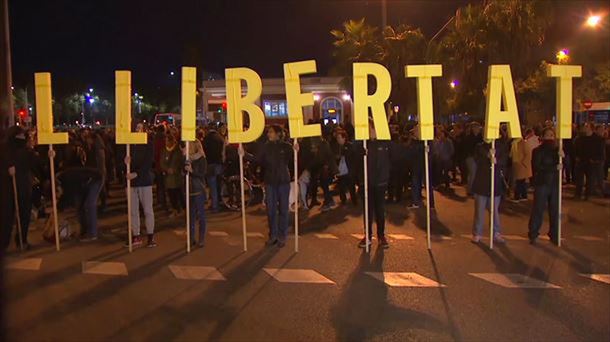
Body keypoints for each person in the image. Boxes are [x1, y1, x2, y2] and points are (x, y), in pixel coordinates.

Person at [1, 127, 38, 250]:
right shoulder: (23, 150)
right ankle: (19, 240)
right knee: (19, 216)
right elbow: (35, 163)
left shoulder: (6, 149)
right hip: (17, 187)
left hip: (12, 187)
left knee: (9, 216)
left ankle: (11, 242)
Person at [354, 123, 390, 249]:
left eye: (370, 129)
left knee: (380, 210)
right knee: (368, 210)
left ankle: (381, 236)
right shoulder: (363, 144)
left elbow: (395, 156)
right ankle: (368, 236)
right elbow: (355, 160)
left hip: (380, 183)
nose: (368, 131)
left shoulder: (384, 143)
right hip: (367, 183)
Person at [257, 125, 293, 248]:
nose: (268, 134)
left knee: (283, 210)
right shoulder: (266, 147)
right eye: (268, 132)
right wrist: (243, 154)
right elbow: (257, 159)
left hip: (283, 182)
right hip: (270, 182)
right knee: (271, 210)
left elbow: (294, 161)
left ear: (278, 133)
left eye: (271, 132)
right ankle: (273, 235)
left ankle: (282, 236)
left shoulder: (287, 147)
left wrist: (297, 150)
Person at [471, 138, 508, 244]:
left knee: (494, 211)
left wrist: (497, 160)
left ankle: (496, 233)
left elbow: (504, 161)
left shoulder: (500, 146)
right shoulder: (479, 147)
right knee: (479, 211)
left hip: (494, 183)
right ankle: (477, 233)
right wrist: (487, 157)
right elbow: (476, 160)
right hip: (481, 183)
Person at [528, 127, 561, 245]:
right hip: (542, 183)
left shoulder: (557, 150)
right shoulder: (537, 151)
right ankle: (533, 233)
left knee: (555, 210)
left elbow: (562, 166)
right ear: (542, 137)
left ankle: (554, 234)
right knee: (538, 209)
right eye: (547, 135)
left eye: (552, 135)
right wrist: (553, 168)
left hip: (555, 184)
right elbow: (537, 167)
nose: (550, 137)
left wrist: (562, 156)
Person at [125, 123, 156, 248]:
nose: (137, 130)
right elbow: (120, 161)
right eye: (135, 128)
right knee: (133, 211)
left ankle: (150, 236)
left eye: (139, 128)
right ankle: (135, 235)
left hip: (144, 181)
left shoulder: (148, 143)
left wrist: (136, 173)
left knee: (148, 210)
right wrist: (125, 162)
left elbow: (148, 163)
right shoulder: (129, 144)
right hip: (131, 183)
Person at [185, 140, 208, 247]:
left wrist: (192, 171)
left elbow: (202, 173)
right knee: (191, 216)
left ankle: (201, 238)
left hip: (198, 189)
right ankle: (191, 238)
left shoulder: (201, 159)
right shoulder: (187, 158)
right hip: (189, 189)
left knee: (201, 215)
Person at [160, 132, 184, 217]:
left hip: (177, 177)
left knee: (179, 194)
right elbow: (162, 162)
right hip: (168, 178)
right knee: (171, 195)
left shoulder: (177, 150)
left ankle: (183, 209)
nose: (166, 143)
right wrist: (167, 169)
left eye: (167, 141)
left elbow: (179, 162)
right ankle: (175, 209)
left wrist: (174, 169)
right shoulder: (164, 151)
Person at [203, 124, 226, 212]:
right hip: (218, 163)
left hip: (209, 164)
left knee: (212, 186)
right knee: (218, 184)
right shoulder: (220, 138)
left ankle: (214, 205)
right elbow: (223, 152)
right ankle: (219, 202)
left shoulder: (206, 139)